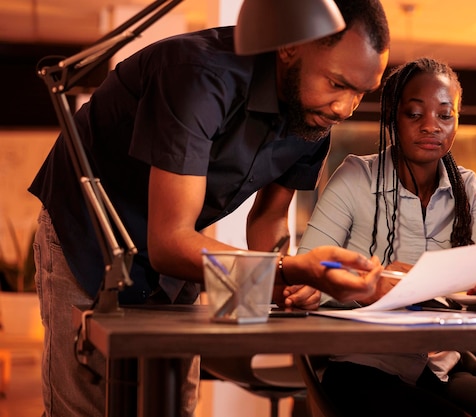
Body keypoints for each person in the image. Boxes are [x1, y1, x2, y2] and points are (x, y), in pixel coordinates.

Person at [28, 1, 389, 416]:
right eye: (337, 83)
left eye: (361, 93)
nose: (344, 108)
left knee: (173, 405)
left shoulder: (314, 119)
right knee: (89, 407)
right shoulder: (199, 75)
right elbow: (168, 242)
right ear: (290, 47)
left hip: (181, 254)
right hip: (88, 235)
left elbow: (269, 219)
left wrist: (292, 286)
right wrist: (292, 269)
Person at [297, 58, 476, 416]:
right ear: (393, 118)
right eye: (415, 114)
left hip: (441, 367)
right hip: (363, 367)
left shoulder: (467, 187)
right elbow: (303, 274)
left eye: (445, 115)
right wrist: (369, 287)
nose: (431, 127)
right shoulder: (357, 177)